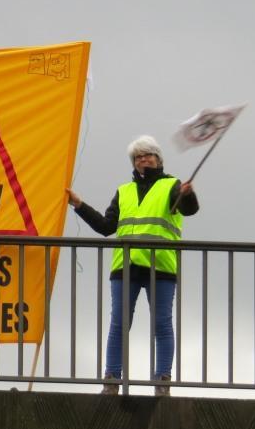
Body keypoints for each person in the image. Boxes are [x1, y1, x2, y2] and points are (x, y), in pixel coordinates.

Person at [67, 135, 198, 396]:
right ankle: (112, 379)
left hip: (160, 266)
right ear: (134, 163)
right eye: (138, 156)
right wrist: (79, 205)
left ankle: (162, 381)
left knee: (161, 324)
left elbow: (189, 209)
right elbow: (106, 227)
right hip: (125, 268)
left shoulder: (173, 185)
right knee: (119, 324)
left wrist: (188, 194)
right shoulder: (123, 191)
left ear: (158, 158)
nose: (143, 159)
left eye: (148, 154)